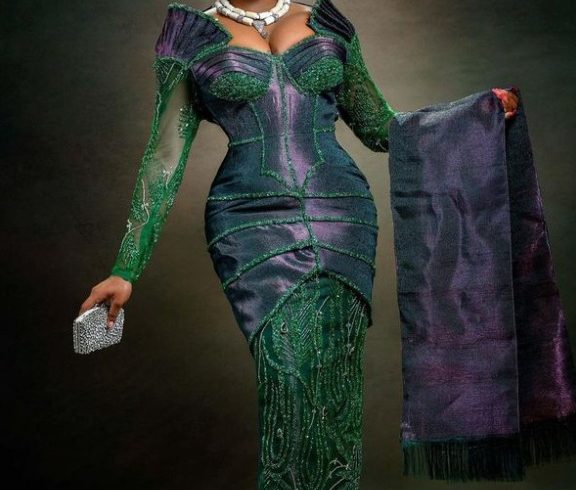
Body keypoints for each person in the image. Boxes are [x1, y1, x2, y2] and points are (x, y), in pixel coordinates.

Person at [79, 1, 519, 487]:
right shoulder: (189, 33)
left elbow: (380, 126)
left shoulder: (326, 21)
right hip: (249, 223)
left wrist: (471, 116)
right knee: (287, 377)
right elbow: (164, 157)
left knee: (335, 384)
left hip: (343, 216)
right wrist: (126, 268)